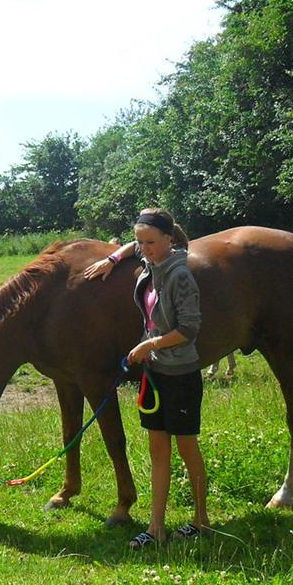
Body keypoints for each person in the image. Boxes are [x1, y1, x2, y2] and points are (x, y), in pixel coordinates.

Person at [83, 208, 210, 549]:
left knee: (186, 447)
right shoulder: (151, 257)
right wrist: (113, 257)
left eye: (151, 242)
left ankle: (201, 520)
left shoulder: (180, 274)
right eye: (141, 242)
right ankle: (156, 528)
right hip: (154, 371)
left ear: (170, 239)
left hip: (180, 373)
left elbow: (189, 328)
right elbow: (131, 246)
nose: (144, 248)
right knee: (158, 452)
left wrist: (150, 344)